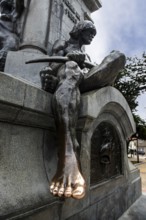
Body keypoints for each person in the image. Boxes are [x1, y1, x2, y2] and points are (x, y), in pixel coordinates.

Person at [40, 20, 126, 199]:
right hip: (65, 77)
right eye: (90, 32)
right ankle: (68, 155)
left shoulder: (85, 54)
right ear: (79, 30)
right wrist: (71, 59)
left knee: (118, 56)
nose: (92, 36)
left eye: (94, 34)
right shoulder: (62, 44)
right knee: (72, 68)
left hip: (81, 80)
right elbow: (51, 66)